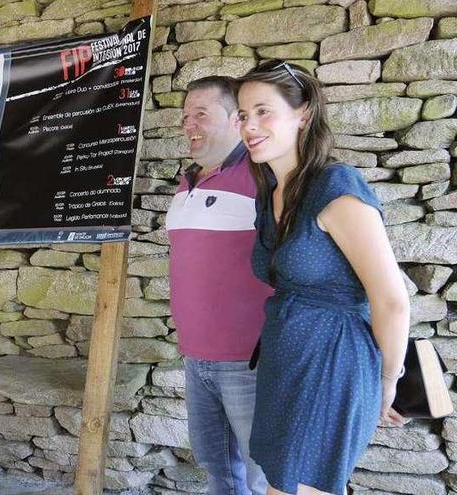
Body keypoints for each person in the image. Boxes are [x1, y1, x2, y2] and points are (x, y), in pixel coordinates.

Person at [237, 60, 409, 495]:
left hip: (333, 365)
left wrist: (388, 381)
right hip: (286, 363)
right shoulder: (270, 192)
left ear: (304, 113)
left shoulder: (336, 186)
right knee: (280, 484)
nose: (249, 125)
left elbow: (390, 299)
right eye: (242, 114)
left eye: (262, 111)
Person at [165, 76, 272, 495]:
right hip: (196, 359)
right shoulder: (186, 182)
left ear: (235, 120)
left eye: (201, 114)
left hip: (251, 362)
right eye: (186, 116)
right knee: (218, 471)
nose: (189, 124)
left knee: (264, 475)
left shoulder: (264, 179)